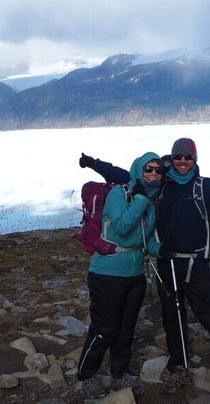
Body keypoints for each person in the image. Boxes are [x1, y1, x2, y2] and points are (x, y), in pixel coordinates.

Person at [78, 138, 210, 395]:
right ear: (171, 160)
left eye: (188, 157)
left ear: (195, 159)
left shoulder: (205, 187)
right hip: (166, 263)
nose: (182, 161)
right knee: (173, 319)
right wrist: (94, 163)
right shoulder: (159, 184)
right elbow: (123, 174)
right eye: (178, 157)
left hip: (196, 265)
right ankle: (177, 366)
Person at [76, 152, 164, 399]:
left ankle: (120, 372)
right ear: (139, 170)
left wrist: (168, 250)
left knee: (126, 328)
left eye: (159, 171)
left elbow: (145, 240)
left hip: (135, 273)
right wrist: (141, 199)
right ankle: (87, 374)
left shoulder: (149, 199)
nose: (154, 174)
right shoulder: (120, 194)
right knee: (105, 328)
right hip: (107, 273)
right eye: (149, 169)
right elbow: (123, 228)